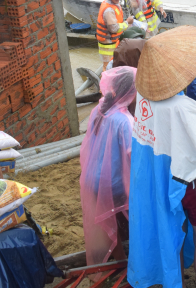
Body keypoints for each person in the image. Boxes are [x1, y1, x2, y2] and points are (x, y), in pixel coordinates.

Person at [128, 26, 196, 288]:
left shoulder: (143, 97)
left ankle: (174, 281)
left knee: (170, 235)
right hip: (186, 182)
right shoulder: (182, 106)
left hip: (157, 178)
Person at [80, 66, 137, 265]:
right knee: (130, 220)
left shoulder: (99, 110)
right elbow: (133, 157)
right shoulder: (125, 121)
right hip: (112, 183)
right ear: (131, 92)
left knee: (110, 222)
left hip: (92, 177)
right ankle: (129, 261)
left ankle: (119, 259)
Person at [96, 0, 134, 69]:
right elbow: (113, 28)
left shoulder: (114, 5)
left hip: (113, 42)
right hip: (108, 45)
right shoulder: (109, 10)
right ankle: (105, 77)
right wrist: (127, 22)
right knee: (108, 67)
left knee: (113, 64)